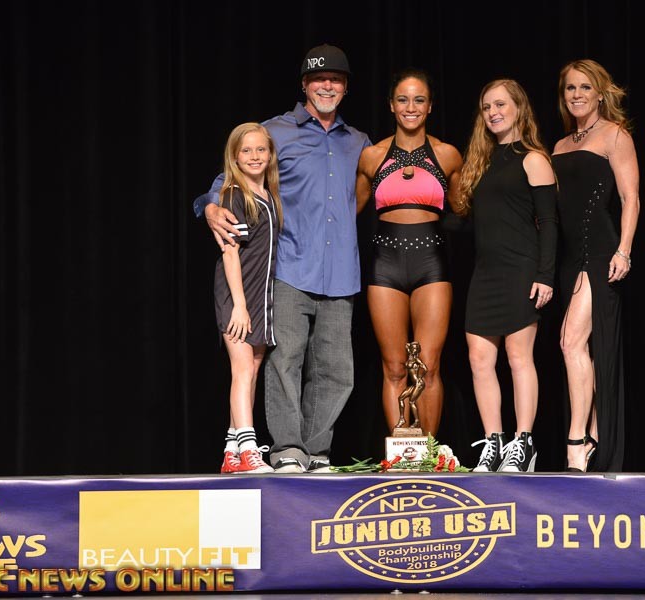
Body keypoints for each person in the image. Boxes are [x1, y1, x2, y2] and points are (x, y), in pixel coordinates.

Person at [194, 44, 370, 473]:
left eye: (335, 79)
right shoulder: (276, 132)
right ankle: (288, 450)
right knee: (284, 363)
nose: (327, 86)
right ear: (305, 84)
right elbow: (229, 177)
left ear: (345, 88)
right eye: (318, 79)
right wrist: (210, 206)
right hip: (289, 268)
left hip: (341, 274)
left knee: (336, 371)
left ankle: (317, 452)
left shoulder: (359, 143)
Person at [355, 69, 463, 437]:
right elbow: (343, 213)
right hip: (384, 265)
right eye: (403, 99)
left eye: (419, 100)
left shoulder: (447, 155)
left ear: (430, 106)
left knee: (428, 366)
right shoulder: (372, 156)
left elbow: (465, 211)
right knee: (395, 367)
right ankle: (402, 455)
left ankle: (428, 454)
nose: (410, 107)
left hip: (431, 263)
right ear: (391, 105)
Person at [457, 79, 558, 473]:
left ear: (519, 108)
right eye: (487, 107)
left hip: (521, 270)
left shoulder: (533, 159)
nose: (493, 113)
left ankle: (523, 444)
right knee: (479, 358)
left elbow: (549, 223)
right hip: (485, 273)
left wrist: (545, 275)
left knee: (518, 357)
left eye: (500, 105)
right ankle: (494, 443)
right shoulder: (481, 161)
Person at [551, 59, 640, 472]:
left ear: (600, 93)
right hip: (569, 257)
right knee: (580, 348)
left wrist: (624, 250)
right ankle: (593, 437)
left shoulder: (615, 135)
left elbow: (630, 198)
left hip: (601, 252)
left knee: (571, 342)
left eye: (585, 87)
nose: (577, 95)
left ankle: (576, 443)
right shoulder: (559, 146)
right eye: (571, 88)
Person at [209, 123, 282, 474]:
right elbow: (230, 252)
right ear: (235, 157)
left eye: (260, 150)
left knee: (252, 370)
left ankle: (232, 449)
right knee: (241, 370)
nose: (254, 156)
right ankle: (250, 450)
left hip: (259, 295)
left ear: (270, 154)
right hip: (236, 294)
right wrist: (238, 304)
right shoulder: (234, 195)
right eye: (246, 151)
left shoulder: (269, 195)